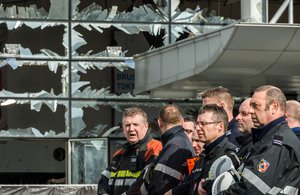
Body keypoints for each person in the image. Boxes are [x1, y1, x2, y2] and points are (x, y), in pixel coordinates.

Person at [215, 85, 300, 195]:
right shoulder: (267, 138)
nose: (251, 111)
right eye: (250, 106)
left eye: (255, 106)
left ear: (274, 107)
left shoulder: (277, 143)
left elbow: (251, 188)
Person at [168, 104, 239, 195]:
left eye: (204, 124)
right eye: (197, 124)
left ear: (220, 127)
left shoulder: (230, 156)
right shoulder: (204, 155)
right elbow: (190, 185)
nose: (197, 128)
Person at [97, 107, 162, 195]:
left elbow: (145, 182)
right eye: (127, 125)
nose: (131, 129)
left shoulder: (155, 148)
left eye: (135, 124)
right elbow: (104, 181)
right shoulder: (119, 154)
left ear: (146, 126)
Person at [140, 104, 195, 195]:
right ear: (182, 121)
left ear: (159, 123)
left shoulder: (174, 146)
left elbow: (160, 185)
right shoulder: (181, 142)